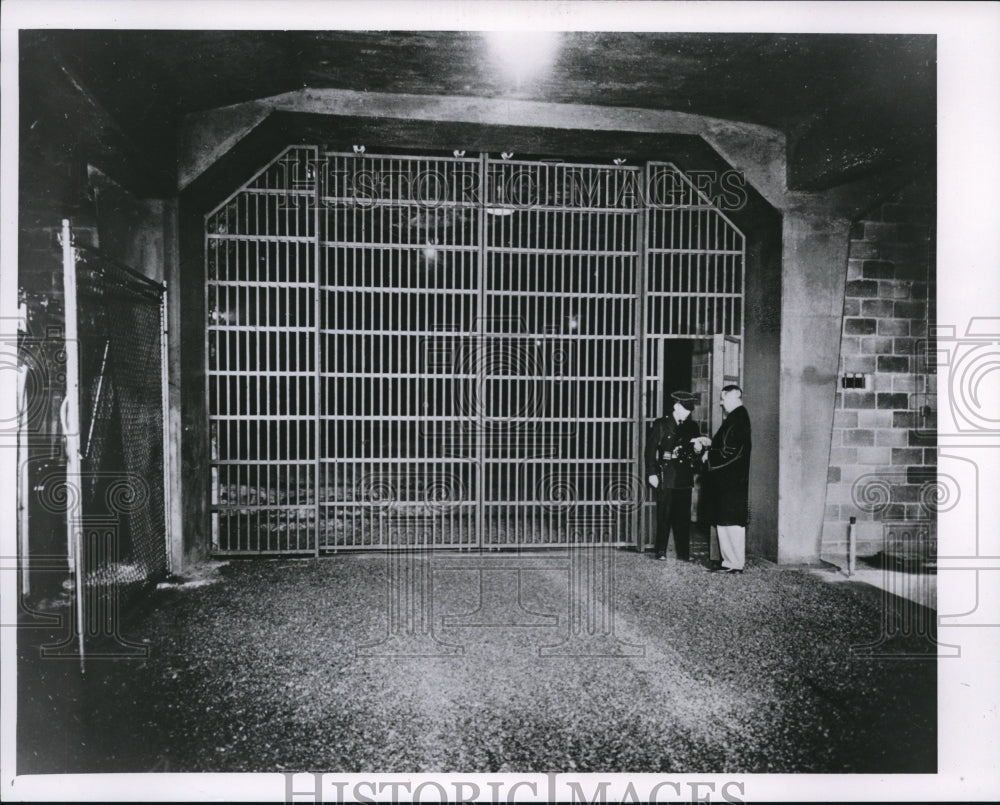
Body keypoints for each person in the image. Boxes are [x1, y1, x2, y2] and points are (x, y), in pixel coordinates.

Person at [699, 385, 751, 574]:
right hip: (729, 482)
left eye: (723, 398)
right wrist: (711, 444)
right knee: (726, 522)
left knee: (731, 524)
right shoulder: (737, 418)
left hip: (731, 482)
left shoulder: (737, 419)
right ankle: (730, 562)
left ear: (735, 397)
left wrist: (708, 457)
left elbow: (731, 452)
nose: (721, 402)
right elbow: (728, 446)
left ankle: (734, 563)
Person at [644, 391, 701, 561]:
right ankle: (660, 550)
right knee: (665, 514)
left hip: (684, 476)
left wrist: (698, 450)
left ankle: (683, 552)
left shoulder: (692, 426)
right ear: (676, 406)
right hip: (666, 474)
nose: (688, 413)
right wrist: (652, 473)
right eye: (685, 409)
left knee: (683, 516)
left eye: (689, 410)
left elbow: (695, 453)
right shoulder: (661, 424)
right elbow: (650, 451)